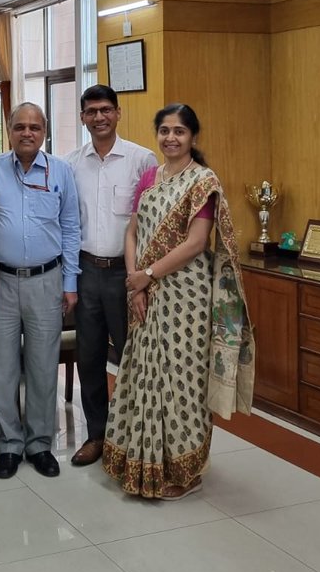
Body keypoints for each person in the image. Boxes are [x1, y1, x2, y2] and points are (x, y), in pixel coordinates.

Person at [103, 103, 255, 499]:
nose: (171, 138)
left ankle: (185, 471)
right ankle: (141, 459)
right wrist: (136, 283)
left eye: (179, 132)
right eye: (165, 130)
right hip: (144, 288)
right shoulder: (150, 177)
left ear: (192, 137)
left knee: (181, 377)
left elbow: (195, 243)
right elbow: (131, 232)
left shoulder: (202, 182)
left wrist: (147, 276)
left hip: (185, 294)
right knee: (142, 372)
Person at [0, 103, 80, 479]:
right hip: (1, 281)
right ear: (8, 130)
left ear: (45, 132)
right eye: (20, 127)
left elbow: (71, 228)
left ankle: (40, 443)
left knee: (43, 366)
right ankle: (9, 444)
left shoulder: (61, 172)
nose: (27, 133)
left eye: (35, 127)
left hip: (47, 280)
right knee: (2, 367)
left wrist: (70, 283)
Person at [66, 84, 157, 467]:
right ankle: (97, 436)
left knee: (133, 357)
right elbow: (68, 223)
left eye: (106, 109)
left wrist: (143, 278)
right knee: (88, 358)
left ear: (118, 113)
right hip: (87, 271)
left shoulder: (142, 160)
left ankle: (136, 437)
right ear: (83, 117)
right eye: (91, 111)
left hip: (127, 275)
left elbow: (152, 225)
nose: (99, 117)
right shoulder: (71, 163)